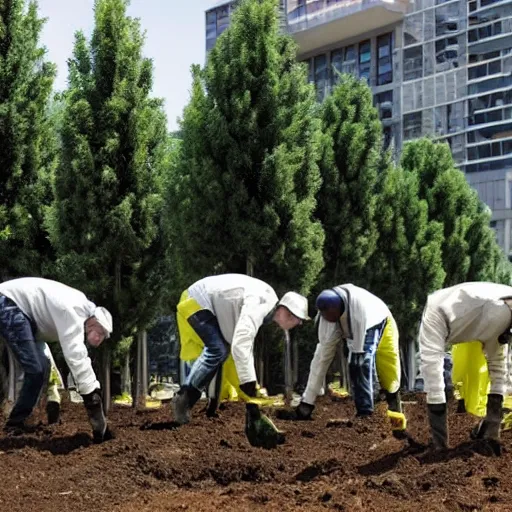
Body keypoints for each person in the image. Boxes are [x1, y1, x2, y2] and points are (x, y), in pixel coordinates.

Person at [173, 273, 310, 447]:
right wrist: (249, 384)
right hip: (196, 300)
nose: (298, 325)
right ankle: (183, 399)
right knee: (217, 350)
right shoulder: (260, 304)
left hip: (206, 303)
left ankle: (207, 404)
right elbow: (242, 342)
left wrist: (250, 397)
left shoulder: (265, 305)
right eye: (299, 321)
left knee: (222, 351)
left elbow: (239, 346)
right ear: (289, 314)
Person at [0, 277, 113, 442]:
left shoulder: (79, 310)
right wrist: (91, 396)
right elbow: (75, 355)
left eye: (104, 335)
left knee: (41, 369)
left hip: (26, 316)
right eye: (100, 331)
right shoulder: (73, 312)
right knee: (35, 370)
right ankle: (14, 424)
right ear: (93, 321)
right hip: (8, 303)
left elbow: (42, 337)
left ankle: (17, 421)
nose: (99, 338)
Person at [291, 285, 406, 436]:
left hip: (378, 320)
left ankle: (379, 411)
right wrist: (307, 402)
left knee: (380, 373)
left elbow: (360, 357)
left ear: (339, 310)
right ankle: (366, 412)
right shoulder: (327, 317)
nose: (329, 319)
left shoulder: (359, 314)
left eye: (332, 316)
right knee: (323, 359)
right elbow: (321, 360)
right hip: (353, 320)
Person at [419, 282, 512, 450]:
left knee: (434, 373)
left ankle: (440, 442)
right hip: (501, 307)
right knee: (498, 365)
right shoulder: (438, 312)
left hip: (489, 307)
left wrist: (439, 440)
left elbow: (432, 370)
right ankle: (490, 429)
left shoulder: (434, 313)